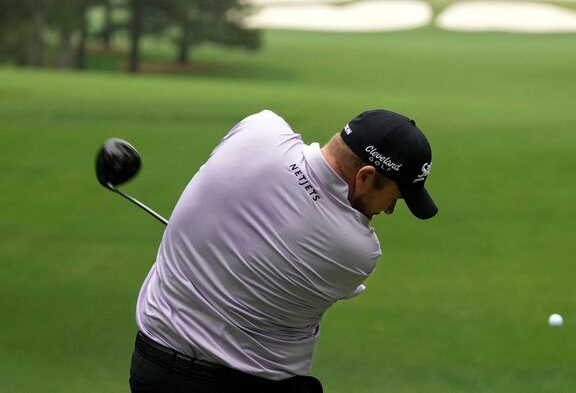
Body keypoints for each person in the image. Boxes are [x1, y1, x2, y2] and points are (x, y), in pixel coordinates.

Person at [129, 109, 438, 392]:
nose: (390, 211)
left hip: (150, 366)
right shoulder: (356, 249)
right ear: (366, 177)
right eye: (394, 197)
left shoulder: (260, 129)